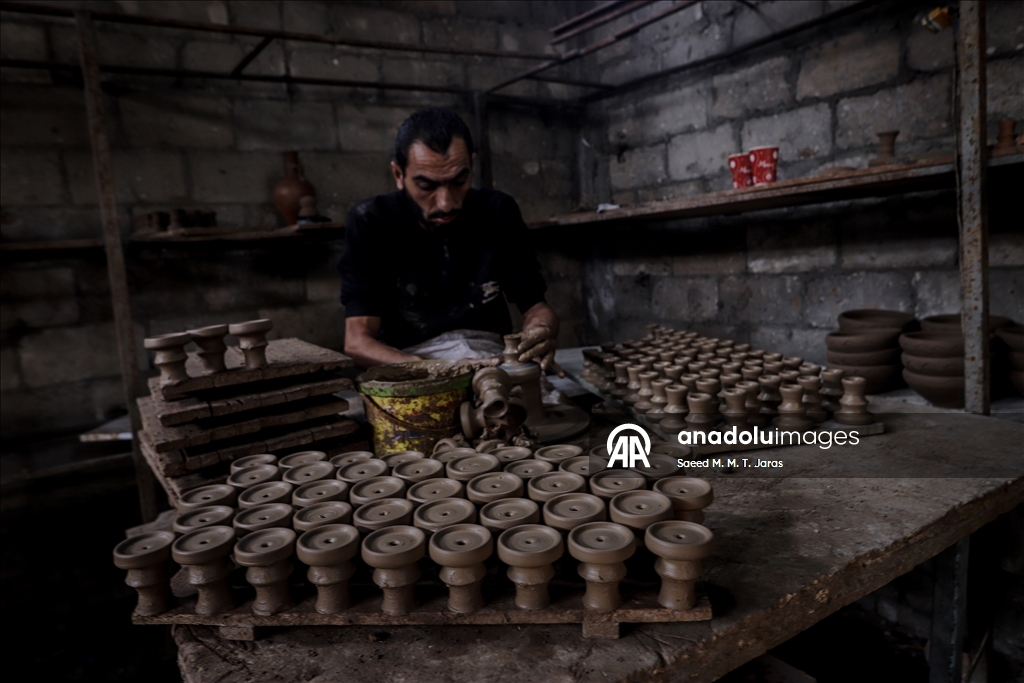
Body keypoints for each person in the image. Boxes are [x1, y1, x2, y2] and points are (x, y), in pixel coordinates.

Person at [338, 108, 561, 373]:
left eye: (459, 180)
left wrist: (540, 331)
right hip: (407, 360)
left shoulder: (498, 211)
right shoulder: (373, 221)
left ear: (472, 165)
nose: (445, 203)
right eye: (426, 185)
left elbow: (536, 307)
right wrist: (438, 368)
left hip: (488, 356)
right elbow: (356, 342)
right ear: (399, 175)